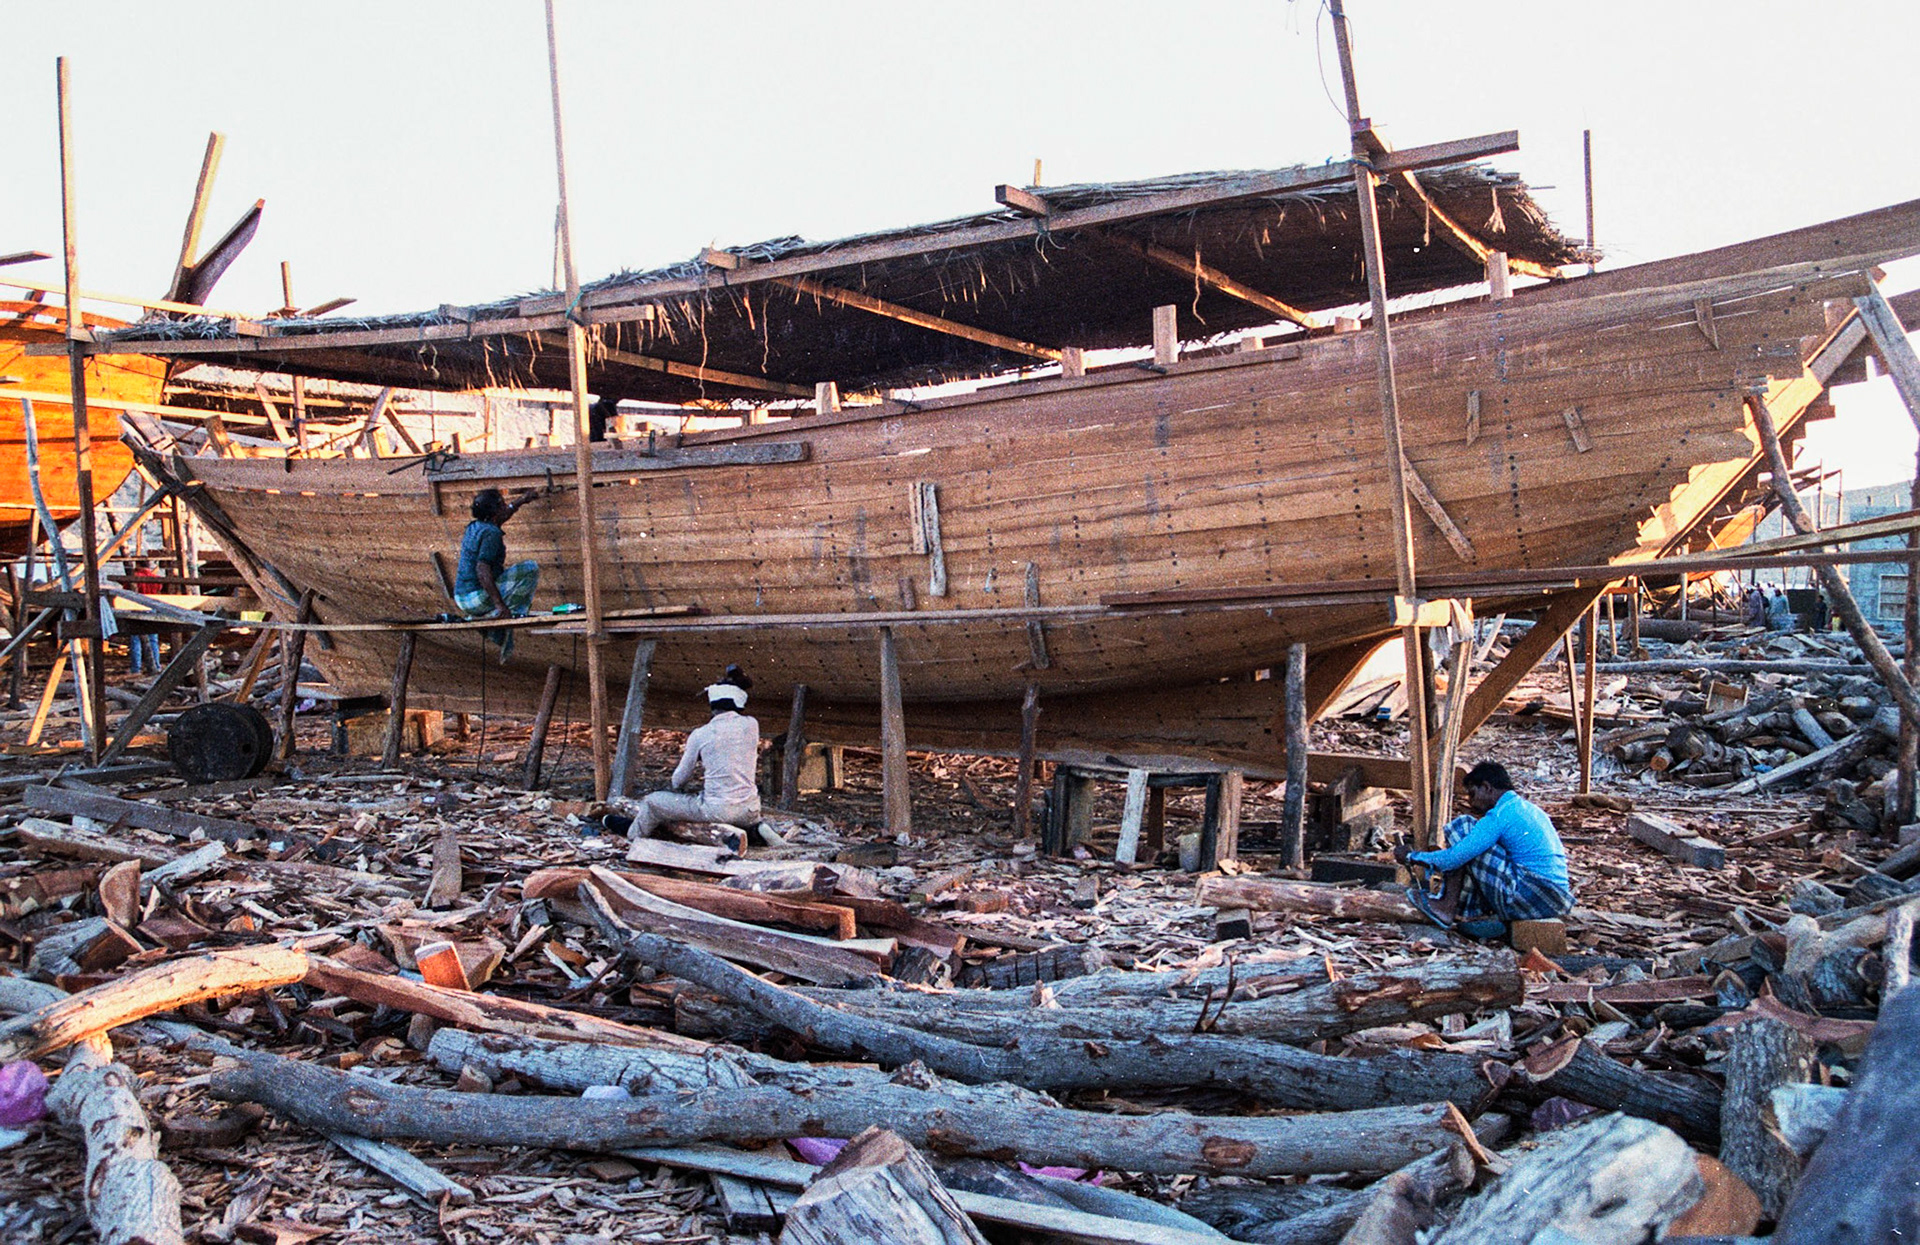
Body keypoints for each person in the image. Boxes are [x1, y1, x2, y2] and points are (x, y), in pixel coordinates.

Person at [1396, 760, 1573, 936]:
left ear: (1487, 787)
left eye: (1473, 794)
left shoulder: (1500, 814)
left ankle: (1445, 906)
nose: (1471, 802)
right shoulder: (1529, 809)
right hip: (1554, 900)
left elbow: (1453, 859)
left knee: (1463, 827)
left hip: (1531, 894)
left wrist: (1412, 857)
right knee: (1477, 844)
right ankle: (1485, 917)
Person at [611, 666, 762, 843]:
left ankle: (632, 837)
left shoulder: (701, 734)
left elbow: (678, 780)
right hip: (750, 810)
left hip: (719, 811)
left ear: (712, 706)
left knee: (653, 801)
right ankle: (756, 831)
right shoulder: (752, 725)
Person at [453, 487, 541, 661]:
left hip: (462, 597)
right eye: (502, 504)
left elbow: (502, 515)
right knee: (530, 569)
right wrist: (500, 605)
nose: (505, 506)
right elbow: (482, 570)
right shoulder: (491, 533)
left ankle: (492, 613)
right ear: (495, 510)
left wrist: (522, 500)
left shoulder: (476, 526)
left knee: (508, 577)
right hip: (475, 598)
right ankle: (501, 614)